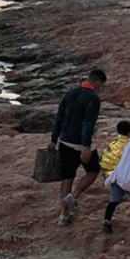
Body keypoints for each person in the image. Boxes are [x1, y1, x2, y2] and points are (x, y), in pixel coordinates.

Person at [48, 68, 107, 226]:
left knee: (67, 177)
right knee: (93, 171)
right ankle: (73, 196)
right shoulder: (93, 98)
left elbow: (59, 117)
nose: (100, 88)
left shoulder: (70, 93)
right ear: (96, 82)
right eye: (101, 85)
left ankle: (63, 215)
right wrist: (86, 146)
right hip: (80, 143)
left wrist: (54, 139)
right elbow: (88, 123)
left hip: (65, 141)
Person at [100, 120, 130, 234]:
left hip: (115, 178)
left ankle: (107, 220)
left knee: (113, 201)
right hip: (129, 178)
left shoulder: (112, 145)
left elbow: (105, 160)